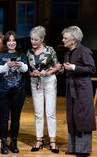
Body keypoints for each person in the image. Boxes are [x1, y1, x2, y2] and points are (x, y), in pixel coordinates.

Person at [61, 26, 96, 157]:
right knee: (72, 117)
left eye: (65, 38)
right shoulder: (67, 53)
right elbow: (69, 70)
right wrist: (62, 68)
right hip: (71, 89)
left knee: (82, 118)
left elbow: (91, 69)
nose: (63, 40)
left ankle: (83, 150)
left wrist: (74, 67)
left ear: (74, 40)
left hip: (82, 90)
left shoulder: (84, 51)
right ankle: (74, 147)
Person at [27, 25, 60, 154]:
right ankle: (39, 140)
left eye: (35, 39)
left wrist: (47, 72)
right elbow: (28, 70)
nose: (33, 42)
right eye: (31, 39)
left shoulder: (50, 50)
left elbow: (57, 66)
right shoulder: (29, 52)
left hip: (49, 81)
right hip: (35, 82)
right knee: (38, 113)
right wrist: (32, 73)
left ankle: (52, 141)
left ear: (42, 39)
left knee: (50, 112)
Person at [0, 31, 28, 154]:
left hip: (18, 91)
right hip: (3, 91)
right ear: (6, 42)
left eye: (13, 40)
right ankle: (3, 143)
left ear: (16, 42)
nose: (11, 43)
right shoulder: (0, 55)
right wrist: (8, 65)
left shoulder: (22, 54)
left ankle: (13, 142)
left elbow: (25, 69)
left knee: (16, 119)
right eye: (9, 40)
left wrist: (20, 65)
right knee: (3, 118)